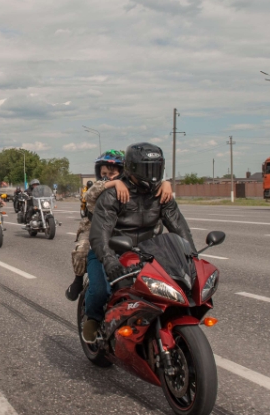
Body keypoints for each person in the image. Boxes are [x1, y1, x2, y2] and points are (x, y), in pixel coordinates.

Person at [83, 143, 194, 343]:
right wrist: (109, 260)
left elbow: (179, 226)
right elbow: (100, 234)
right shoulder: (112, 194)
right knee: (100, 290)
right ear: (132, 168)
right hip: (110, 251)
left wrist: (191, 256)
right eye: (147, 168)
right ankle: (92, 318)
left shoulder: (162, 193)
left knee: (174, 287)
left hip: (147, 253)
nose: (152, 174)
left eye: (156, 168)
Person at [66, 151, 173, 301]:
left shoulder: (130, 187)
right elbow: (89, 194)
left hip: (121, 231)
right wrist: (115, 183)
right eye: (104, 173)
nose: (107, 176)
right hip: (94, 227)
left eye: (112, 174)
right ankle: (78, 280)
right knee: (82, 250)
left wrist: (166, 184)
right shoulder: (100, 187)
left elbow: (148, 190)